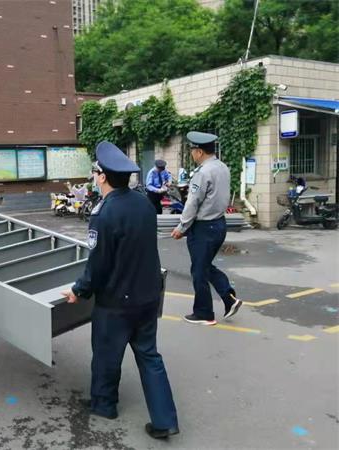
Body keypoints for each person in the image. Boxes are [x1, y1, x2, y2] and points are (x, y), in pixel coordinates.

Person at [62, 141, 179, 440]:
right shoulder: (143, 203)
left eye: (95, 173)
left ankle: (104, 405)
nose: (93, 177)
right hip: (148, 296)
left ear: (102, 177)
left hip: (116, 302)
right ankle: (165, 420)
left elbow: (98, 264)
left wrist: (79, 290)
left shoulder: (104, 213)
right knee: (150, 357)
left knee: (106, 355)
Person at [171, 132, 242, 325]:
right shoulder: (222, 167)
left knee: (199, 271)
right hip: (219, 224)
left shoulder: (202, 173)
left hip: (203, 228)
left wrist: (182, 227)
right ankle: (229, 298)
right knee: (204, 266)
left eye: (192, 150)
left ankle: (204, 313)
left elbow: (193, 202)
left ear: (200, 152)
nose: (192, 154)